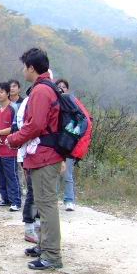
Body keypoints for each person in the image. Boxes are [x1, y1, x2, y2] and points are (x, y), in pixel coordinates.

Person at [6, 48, 64, 270]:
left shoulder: (41, 91)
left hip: (44, 156)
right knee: (42, 204)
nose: (23, 71)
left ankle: (52, 256)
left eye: (24, 66)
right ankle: (44, 247)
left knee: (46, 206)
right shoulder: (48, 87)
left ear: (31, 68)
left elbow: (36, 125)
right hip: (45, 154)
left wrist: (13, 139)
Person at [0, 82, 22, 212]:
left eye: (1, 92)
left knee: (11, 176)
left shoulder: (14, 108)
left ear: (7, 93)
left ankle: (16, 201)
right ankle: (5, 198)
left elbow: (15, 127)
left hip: (10, 148)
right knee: (0, 176)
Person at [16, 86, 40, 244]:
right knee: (33, 191)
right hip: (29, 154)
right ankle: (30, 228)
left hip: (40, 154)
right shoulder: (27, 104)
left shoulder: (39, 103)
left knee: (39, 193)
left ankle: (37, 225)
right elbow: (22, 128)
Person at [55, 78, 76, 211]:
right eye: (58, 86)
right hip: (55, 143)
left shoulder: (71, 102)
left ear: (67, 89)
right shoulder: (53, 103)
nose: (61, 88)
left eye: (63, 86)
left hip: (68, 144)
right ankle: (54, 199)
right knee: (55, 174)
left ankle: (69, 200)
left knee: (67, 174)